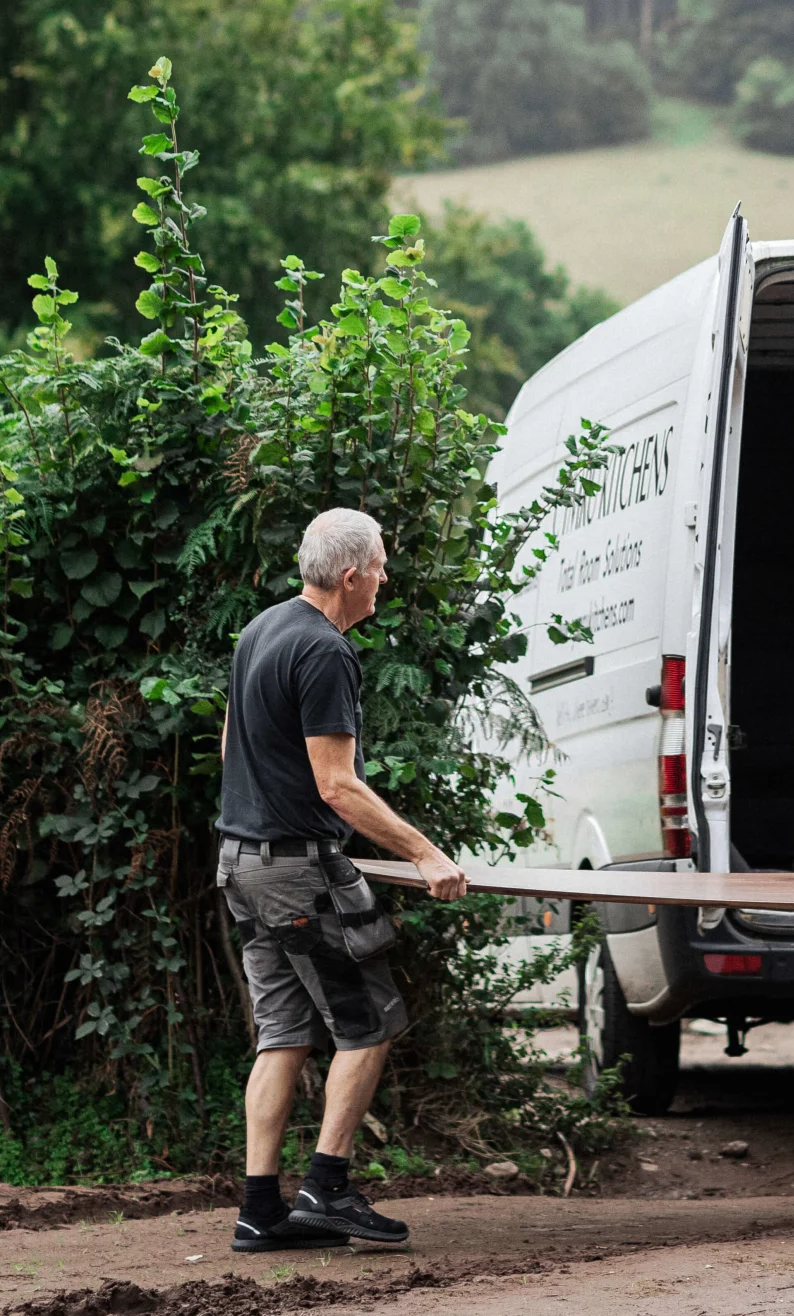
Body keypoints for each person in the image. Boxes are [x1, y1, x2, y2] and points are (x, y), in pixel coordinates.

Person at [218, 508, 469, 1252]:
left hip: (240, 863)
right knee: (369, 1023)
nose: (386, 579)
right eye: (383, 567)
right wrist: (426, 853)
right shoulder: (325, 650)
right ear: (353, 573)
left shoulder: (262, 629)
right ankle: (326, 1188)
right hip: (298, 871)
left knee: (283, 1034)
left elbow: (237, 737)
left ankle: (260, 1212)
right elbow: (338, 785)